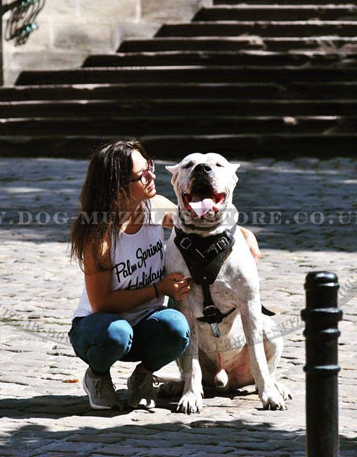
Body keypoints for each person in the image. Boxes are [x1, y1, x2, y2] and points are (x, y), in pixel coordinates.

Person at [68, 140, 261, 410]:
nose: (151, 176)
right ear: (119, 185)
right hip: (100, 329)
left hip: (148, 325)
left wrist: (243, 233)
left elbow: (197, 219)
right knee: (117, 333)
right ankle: (98, 375)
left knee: (176, 327)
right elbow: (102, 303)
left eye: (150, 167)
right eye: (141, 174)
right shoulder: (100, 235)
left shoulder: (153, 207)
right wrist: (159, 290)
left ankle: (143, 377)